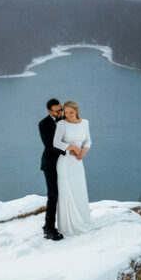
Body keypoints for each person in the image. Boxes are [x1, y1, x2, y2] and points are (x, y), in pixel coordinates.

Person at [53, 100, 92, 236]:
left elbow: (88, 140)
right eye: (66, 112)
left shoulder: (85, 123)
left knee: (79, 189)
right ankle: (67, 226)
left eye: (71, 112)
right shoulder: (62, 124)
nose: (68, 115)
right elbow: (56, 142)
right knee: (67, 192)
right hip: (65, 162)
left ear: (76, 111)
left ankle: (82, 220)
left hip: (78, 162)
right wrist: (73, 147)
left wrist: (83, 151)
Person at [38, 98, 65, 241]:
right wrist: (68, 149)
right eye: (57, 111)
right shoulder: (43, 124)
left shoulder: (64, 119)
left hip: (64, 164)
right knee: (53, 195)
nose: (60, 112)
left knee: (63, 193)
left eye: (61, 109)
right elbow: (50, 145)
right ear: (49, 111)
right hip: (50, 164)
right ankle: (49, 228)